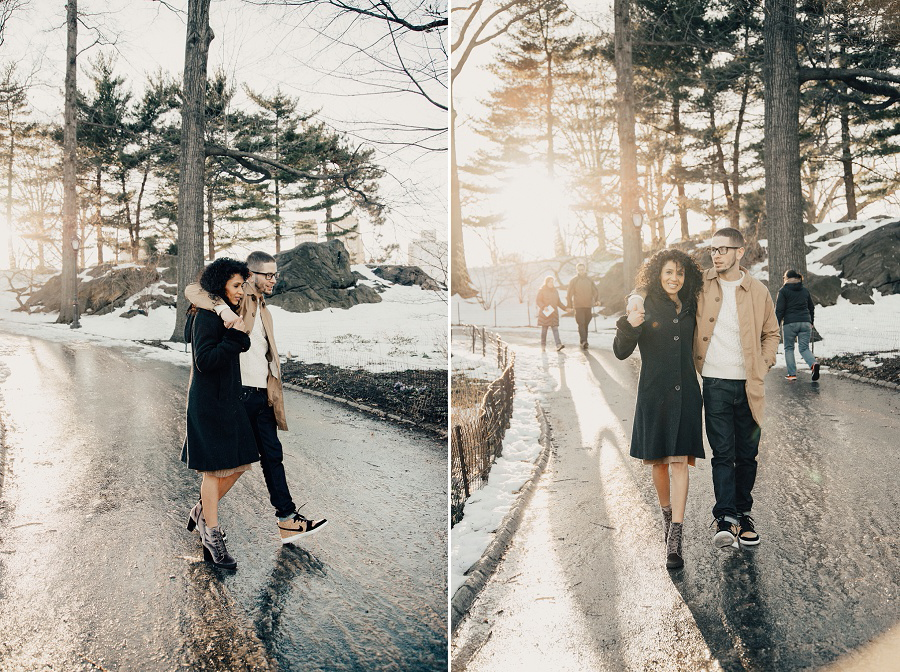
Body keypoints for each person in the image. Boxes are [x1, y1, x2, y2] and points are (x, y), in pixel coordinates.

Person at [627, 228, 780, 550]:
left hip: (749, 384)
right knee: (723, 453)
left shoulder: (758, 291)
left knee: (747, 455)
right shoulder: (701, 284)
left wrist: (764, 363)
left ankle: (744, 514)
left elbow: (772, 332)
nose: (717, 255)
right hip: (714, 382)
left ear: (740, 252)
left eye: (724, 249)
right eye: (713, 249)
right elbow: (660, 279)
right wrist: (635, 296)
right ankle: (725, 517)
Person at [185, 251, 328, 545]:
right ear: (252, 276)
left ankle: (287, 521)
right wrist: (224, 311)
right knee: (232, 465)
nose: (274, 280)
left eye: (276, 274)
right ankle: (205, 514)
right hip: (237, 393)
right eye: (269, 275)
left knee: (272, 456)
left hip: (262, 393)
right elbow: (194, 290)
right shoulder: (239, 296)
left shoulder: (264, 309)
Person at [614, 249, 705, 569]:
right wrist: (629, 322)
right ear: (658, 274)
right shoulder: (645, 303)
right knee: (659, 464)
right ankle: (667, 516)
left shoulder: (693, 302)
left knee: (679, 461)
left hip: (688, 394)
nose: (674, 278)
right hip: (655, 394)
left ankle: (676, 534)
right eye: (668, 272)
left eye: (679, 273)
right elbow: (621, 352)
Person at [182, 258, 259, 570]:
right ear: (221, 286)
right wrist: (235, 341)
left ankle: (202, 513)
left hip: (227, 400)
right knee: (214, 472)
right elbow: (205, 360)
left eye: (242, 285)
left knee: (241, 463)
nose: (241, 291)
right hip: (209, 404)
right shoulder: (206, 316)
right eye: (237, 285)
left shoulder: (223, 313)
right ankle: (212, 537)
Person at [776, 269, 820, 382]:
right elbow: (811, 307)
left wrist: (776, 325)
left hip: (790, 324)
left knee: (789, 348)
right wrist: (811, 322)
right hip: (805, 322)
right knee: (804, 348)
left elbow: (779, 310)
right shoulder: (804, 290)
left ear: (786, 278)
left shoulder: (783, 291)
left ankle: (792, 374)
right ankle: (813, 364)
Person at [567, 262, 600, 349]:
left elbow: (595, 290)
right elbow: (569, 293)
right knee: (581, 322)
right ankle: (584, 341)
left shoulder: (589, 279)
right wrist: (569, 305)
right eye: (579, 270)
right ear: (577, 270)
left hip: (588, 305)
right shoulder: (574, 280)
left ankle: (584, 340)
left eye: (582, 269)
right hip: (578, 306)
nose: (581, 271)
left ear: (585, 269)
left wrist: (596, 300)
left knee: (586, 322)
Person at [536, 276, 566, 352]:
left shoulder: (555, 291)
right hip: (545, 313)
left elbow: (558, 302)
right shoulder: (542, 290)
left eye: (552, 281)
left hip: (554, 314)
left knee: (555, 329)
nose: (551, 283)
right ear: (546, 282)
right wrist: (543, 307)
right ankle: (543, 345)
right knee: (544, 330)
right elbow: (538, 301)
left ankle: (558, 345)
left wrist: (565, 308)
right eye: (550, 281)